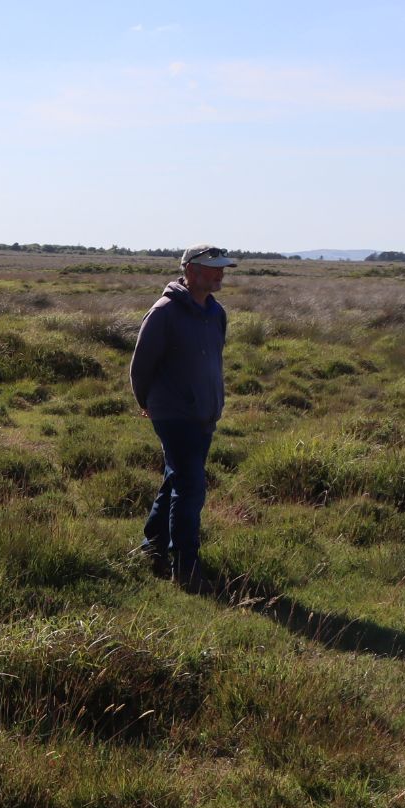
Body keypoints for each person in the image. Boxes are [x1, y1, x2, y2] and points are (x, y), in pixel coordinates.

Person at [130, 244, 238, 587]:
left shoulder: (216, 312)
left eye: (222, 267)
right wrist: (146, 401)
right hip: (173, 412)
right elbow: (140, 366)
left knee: (177, 480)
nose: (220, 273)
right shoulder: (163, 312)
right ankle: (186, 569)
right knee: (191, 488)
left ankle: (153, 547)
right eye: (212, 268)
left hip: (205, 412)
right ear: (190, 270)